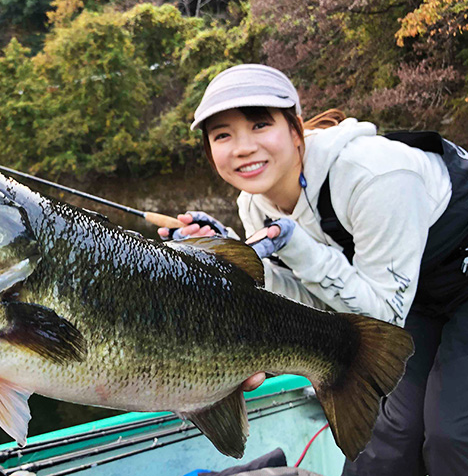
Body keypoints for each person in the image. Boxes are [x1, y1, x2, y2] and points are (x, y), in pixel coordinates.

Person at [160, 64, 468, 475]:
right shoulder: (253, 203)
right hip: (410, 293)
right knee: (386, 437)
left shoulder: (373, 175)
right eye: (222, 135)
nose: (243, 147)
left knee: (452, 434)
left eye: (259, 125)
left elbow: (381, 319)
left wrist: (298, 246)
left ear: (295, 128)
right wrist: (241, 263)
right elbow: (313, 300)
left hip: (430, 287)